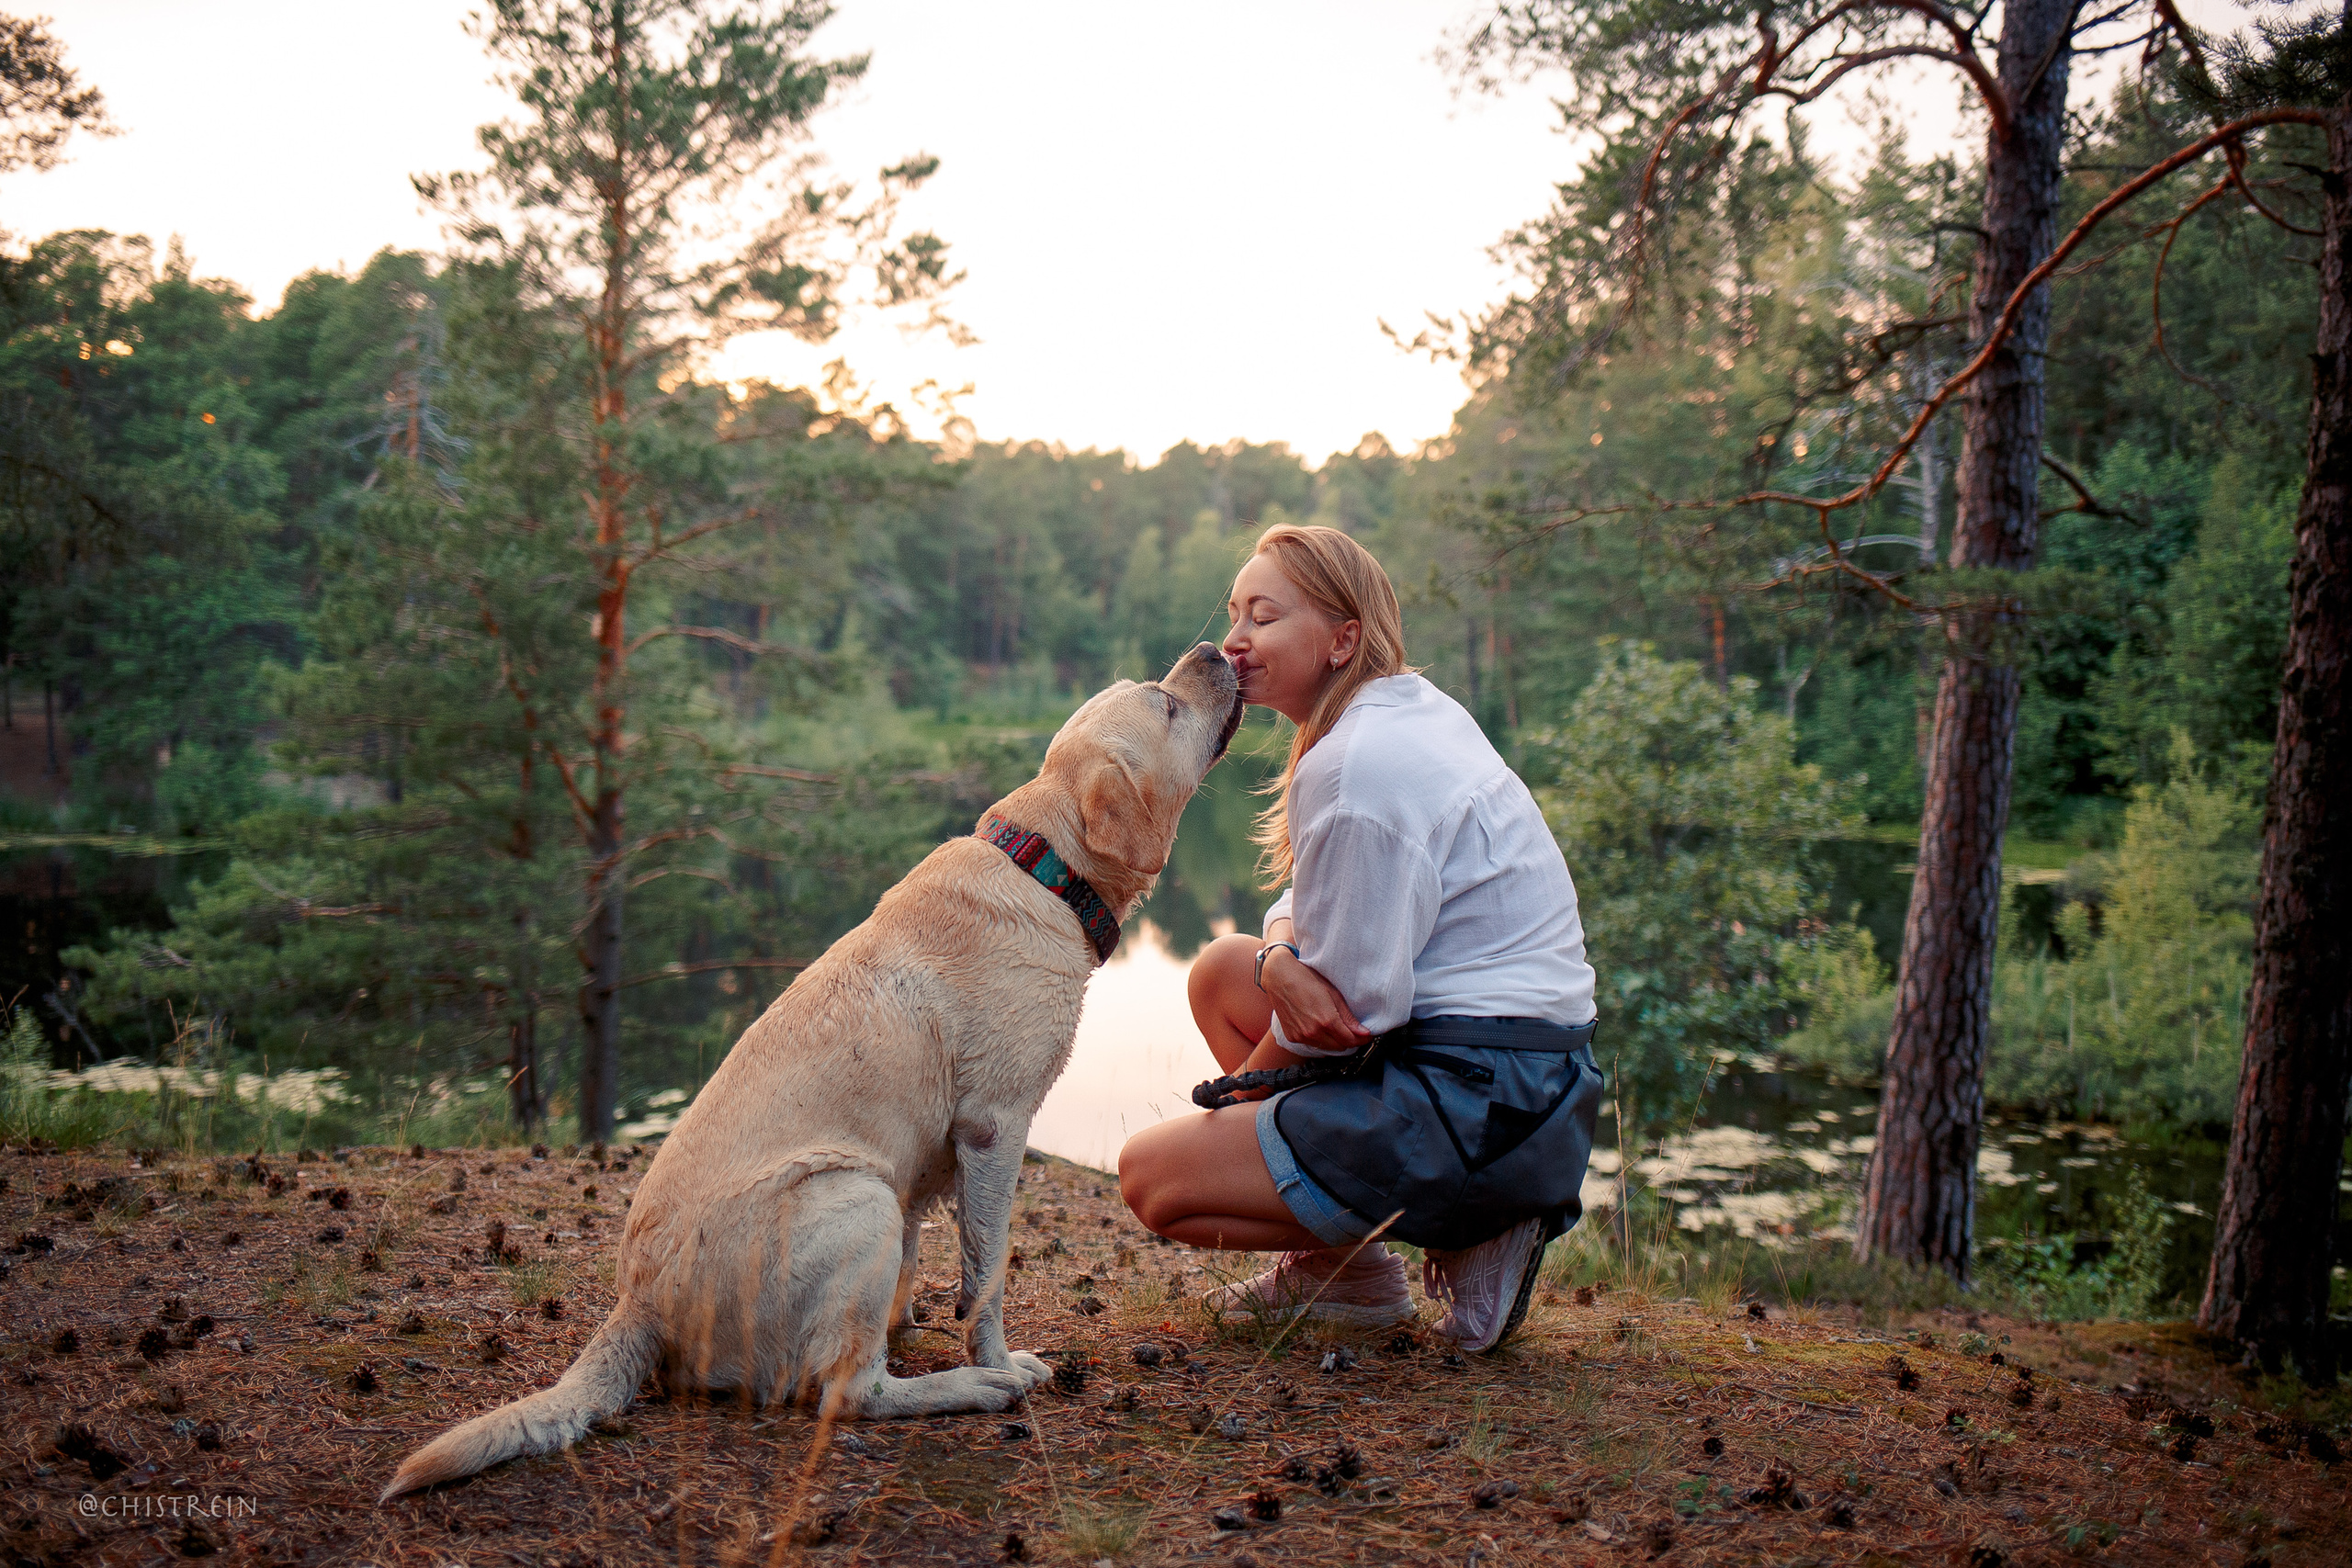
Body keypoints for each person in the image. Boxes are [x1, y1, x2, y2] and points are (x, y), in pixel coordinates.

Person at [1118, 523, 1602, 1353]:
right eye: (1235, 613)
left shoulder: (1357, 763)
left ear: (1344, 638)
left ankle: (1478, 1230)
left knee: (1153, 1180)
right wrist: (1274, 961)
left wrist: (1227, 1106)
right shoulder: (1404, 712)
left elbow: (1342, 1020)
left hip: (1484, 1106)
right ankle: (1345, 1273)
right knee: (1224, 971)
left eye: (1264, 616)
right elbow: (1305, 912)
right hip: (1533, 1083)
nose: (1234, 639)